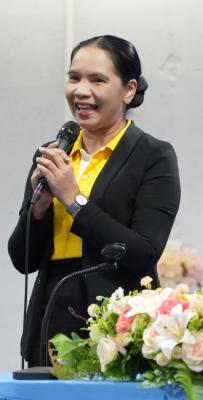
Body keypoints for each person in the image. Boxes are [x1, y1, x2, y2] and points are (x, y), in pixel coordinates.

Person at [8, 35, 181, 367]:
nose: (81, 91)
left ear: (128, 89)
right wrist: (39, 209)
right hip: (50, 315)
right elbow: (22, 260)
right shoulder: (54, 154)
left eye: (97, 80)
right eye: (74, 78)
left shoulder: (153, 155)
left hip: (118, 323)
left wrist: (73, 200)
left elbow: (144, 252)